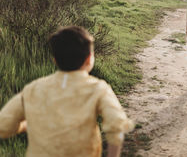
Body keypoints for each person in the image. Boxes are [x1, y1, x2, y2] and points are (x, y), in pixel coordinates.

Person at [0, 26, 133, 157]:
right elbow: (116, 128)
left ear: (55, 60)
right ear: (89, 59)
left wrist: (25, 125)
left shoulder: (33, 89)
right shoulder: (98, 89)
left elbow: (3, 126)